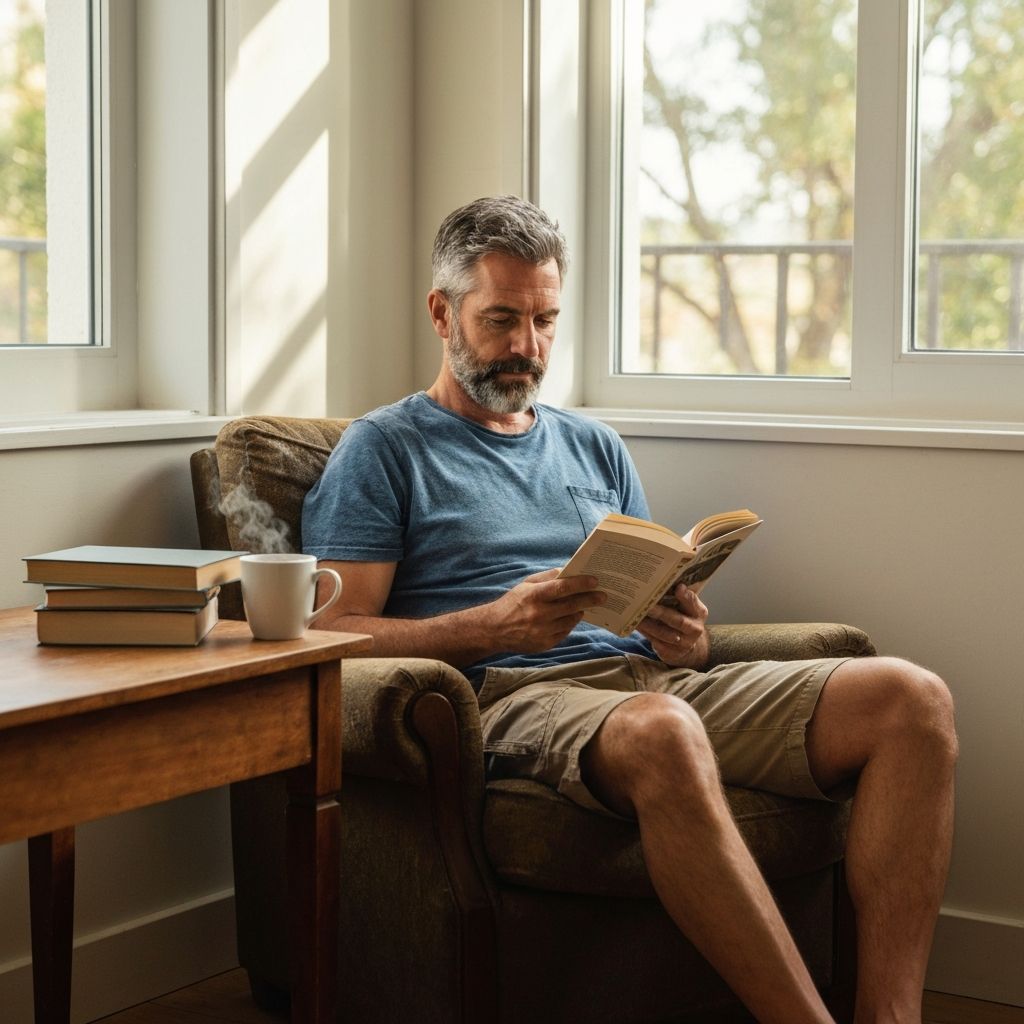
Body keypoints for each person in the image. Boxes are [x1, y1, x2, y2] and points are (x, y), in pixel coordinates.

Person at [302, 194, 958, 1024]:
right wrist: (491, 626)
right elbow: (327, 635)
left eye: (544, 320)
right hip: (509, 697)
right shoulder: (385, 449)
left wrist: (685, 635)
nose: (526, 347)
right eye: (501, 319)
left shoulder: (592, 445)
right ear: (442, 312)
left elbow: (657, 605)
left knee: (912, 701)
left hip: (644, 680)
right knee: (661, 729)